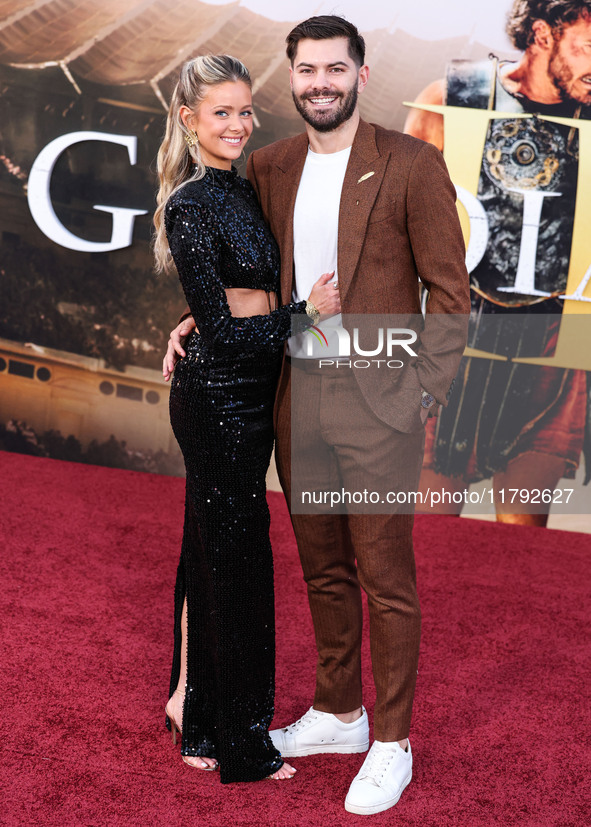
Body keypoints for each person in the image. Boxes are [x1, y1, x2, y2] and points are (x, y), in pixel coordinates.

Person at [164, 17, 470, 813]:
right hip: (295, 400)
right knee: (323, 569)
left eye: (335, 68)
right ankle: (339, 712)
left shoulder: (411, 162)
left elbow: (450, 293)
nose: (320, 83)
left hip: (380, 406)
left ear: (360, 76)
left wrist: (421, 392)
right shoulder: (266, 166)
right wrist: (196, 319)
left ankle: (392, 741)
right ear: (291, 79)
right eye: (307, 70)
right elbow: (240, 269)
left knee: (385, 579)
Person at [153, 54, 340, 784]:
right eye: (221, 112)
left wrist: (194, 318)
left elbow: (232, 299)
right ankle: (238, 737)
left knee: (209, 548)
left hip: (255, 387)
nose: (237, 124)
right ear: (188, 118)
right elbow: (227, 329)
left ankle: (189, 705)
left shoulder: (245, 188)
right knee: (236, 561)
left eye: (244, 110)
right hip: (215, 395)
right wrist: (306, 317)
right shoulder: (192, 202)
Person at [404, 0, 591, 526]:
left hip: (554, 345)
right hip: (455, 338)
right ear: (542, 35)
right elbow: (392, 230)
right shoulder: (454, 98)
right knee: (430, 530)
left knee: (521, 537)